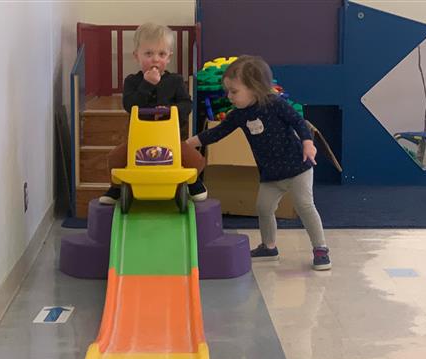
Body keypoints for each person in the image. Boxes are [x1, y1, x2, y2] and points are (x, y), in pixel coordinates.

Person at [186, 55, 331, 270]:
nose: (229, 96)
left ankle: (320, 248)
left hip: (297, 168)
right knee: (263, 208)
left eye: (234, 92)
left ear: (254, 88)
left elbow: (298, 122)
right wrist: (189, 143)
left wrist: (308, 143)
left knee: (305, 205)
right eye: (228, 91)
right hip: (271, 174)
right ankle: (269, 246)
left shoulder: (275, 104)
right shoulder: (238, 115)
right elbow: (216, 133)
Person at [99, 22, 207, 205]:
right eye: (148, 54)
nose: (155, 59)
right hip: (139, 141)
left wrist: (171, 110)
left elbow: (186, 104)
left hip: (171, 139)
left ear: (169, 57)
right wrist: (147, 84)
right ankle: (117, 187)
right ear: (137, 56)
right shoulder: (133, 82)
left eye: (161, 54)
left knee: (195, 159)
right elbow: (129, 104)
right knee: (115, 158)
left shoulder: (175, 80)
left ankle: (193, 182)